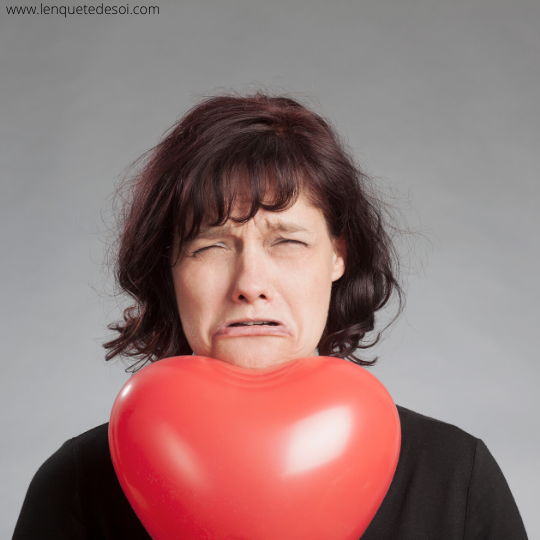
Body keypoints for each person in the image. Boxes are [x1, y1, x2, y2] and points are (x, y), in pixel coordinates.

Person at [12, 93, 528, 539]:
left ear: (337, 256)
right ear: (167, 268)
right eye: (210, 246)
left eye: (287, 242)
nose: (250, 285)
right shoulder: (76, 486)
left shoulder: (457, 477)